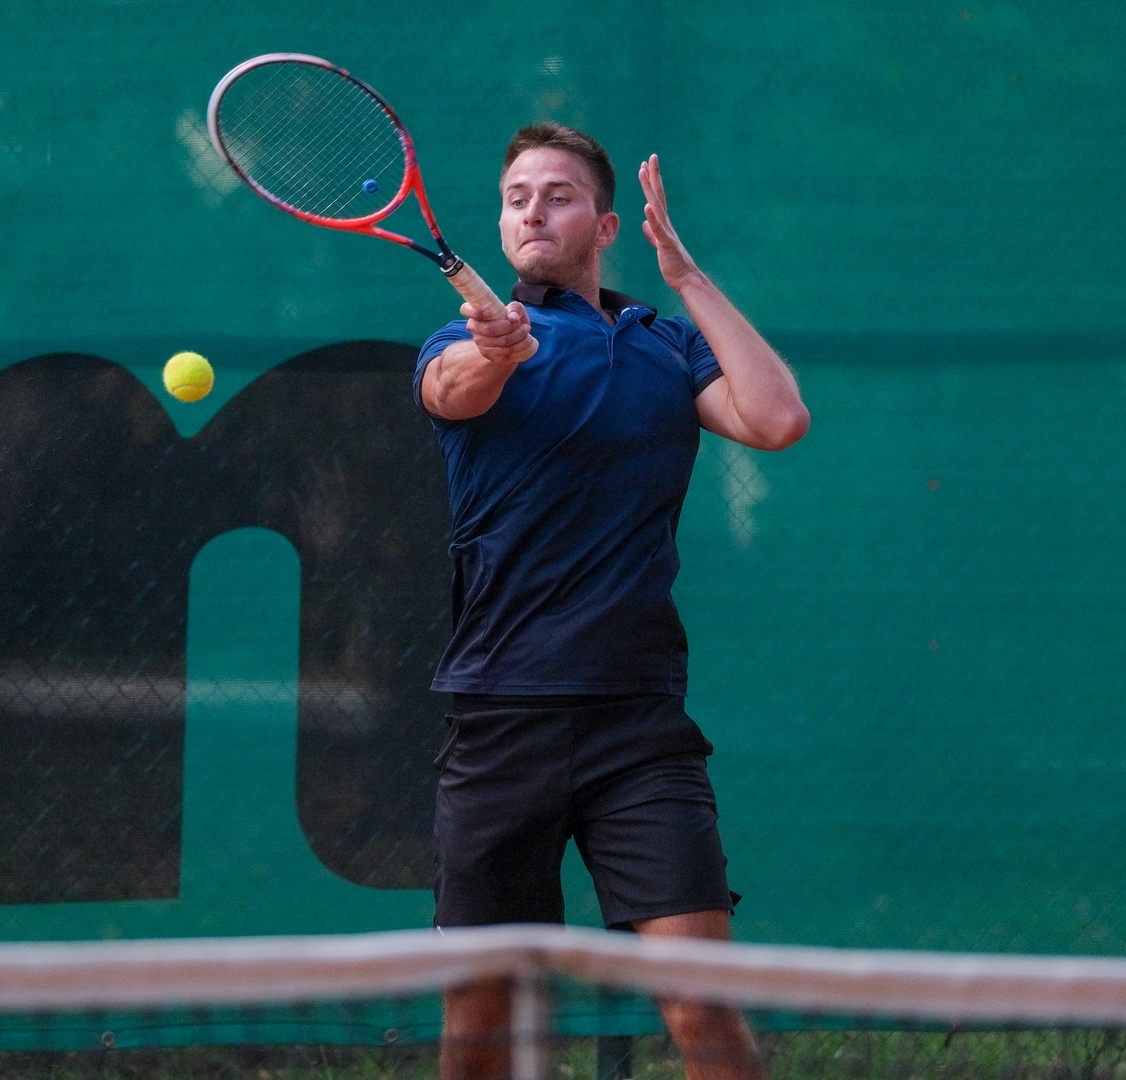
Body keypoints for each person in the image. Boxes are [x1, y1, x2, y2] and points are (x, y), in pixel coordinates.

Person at [415, 122, 809, 1080]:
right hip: (501, 719)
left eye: (557, 195)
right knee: (482, 1023)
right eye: (516, 198)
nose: (533, 212)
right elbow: (452, 391)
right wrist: (496, 352)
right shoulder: (462, 341)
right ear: (500, 226)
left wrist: (688, 277)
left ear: (604, 226)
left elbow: (777, 419)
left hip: (640, 728)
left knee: (703, 1005)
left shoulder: (666, 346)